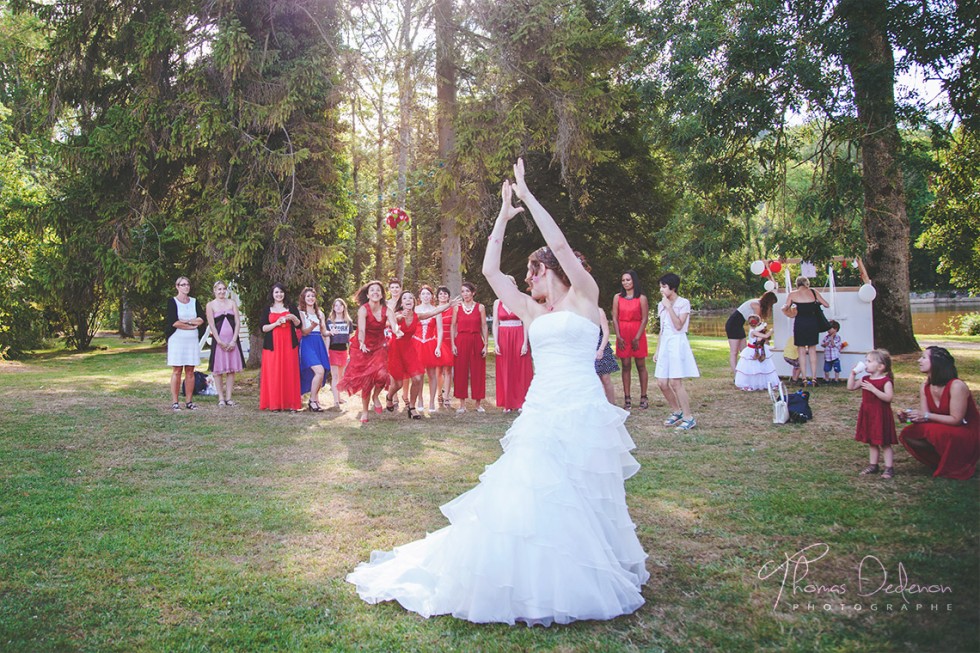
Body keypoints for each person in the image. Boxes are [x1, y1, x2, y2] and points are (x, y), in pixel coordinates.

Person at [346, 157, 648, 626]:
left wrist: (528, 194)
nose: (526, 280)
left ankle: (587, 563)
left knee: (585, 488)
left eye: (532, 272)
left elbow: (562, 244)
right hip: (542, 410)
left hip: (585, 407)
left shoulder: (586, 297)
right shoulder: (530, 310)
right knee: (536, 489)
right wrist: (503, 217)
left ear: (550, 269)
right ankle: (539, 572)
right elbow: (488, 271)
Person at [898, 346, 980, 480]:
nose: (919, 360)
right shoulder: (925, 386)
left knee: (934, 431)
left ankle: (956, 461)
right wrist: (908, 418)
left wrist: (925, 416)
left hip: (966, 429)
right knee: (909, 433)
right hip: (941, 426)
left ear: (936, 362)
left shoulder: (956, 386)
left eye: (924, 357)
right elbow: (925, 416)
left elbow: (956, 420)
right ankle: (941, 459)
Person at [338, 281, 402, 423]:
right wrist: (361, 342)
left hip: (380, 345)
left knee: (382, 375)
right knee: (367, 381)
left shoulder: (387, 310)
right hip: (364, 346)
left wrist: (398, 331)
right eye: (372, 290)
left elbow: (394, 324)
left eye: (378, 290)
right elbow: (361, 329)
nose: (375, 292)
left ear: (381, 294)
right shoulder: (363, 309)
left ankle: (375, 396)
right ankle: (365, 412)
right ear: (367, 294)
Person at [388, 290, 456, 419]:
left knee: (418, 378)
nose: (408, 300)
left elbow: (434, 312)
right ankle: (389, 397)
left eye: (410, 298)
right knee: (398, 384)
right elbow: (390, 324)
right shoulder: (396, 315)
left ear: (413, 302)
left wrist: (448, 305)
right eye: (405, 298)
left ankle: (412, 408)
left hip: (410, 350)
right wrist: (396, 327)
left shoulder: (416, 316)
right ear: (401, 302)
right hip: (396, 350)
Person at [654, 272, 700, 430]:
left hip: (677, 341)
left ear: (672, 288)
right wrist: (657, 350)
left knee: (675, 382)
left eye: (664, 286)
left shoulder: (683, 303)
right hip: (665, 342)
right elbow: (662, 329)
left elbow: (679, 325)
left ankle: (689, 417)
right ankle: (676, 411)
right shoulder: (661, 305)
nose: (661, 289)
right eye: (660, 286)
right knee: (661, 382)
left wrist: (669, 307)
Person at [848, 349, 897, 479]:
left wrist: (873, 389)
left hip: (880, 415)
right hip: (868, 414)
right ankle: (873, 465)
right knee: (872, 441)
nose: (866, 364)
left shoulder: (885, 381)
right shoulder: (865, 379)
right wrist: (852, 374)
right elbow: (851, 387)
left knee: (885, 442)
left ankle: (889, 468)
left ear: (881, 367)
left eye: (869, 361)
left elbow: (888, 398)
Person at [492, 276, 533, 413]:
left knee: (520, 368)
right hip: (503, 335)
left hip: (518, 334)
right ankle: (507, 403)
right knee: (506, 368)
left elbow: (526, 321)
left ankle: (522, 401)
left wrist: (525, 343)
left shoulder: (520, 301)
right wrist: (496, 342)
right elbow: (495, 323)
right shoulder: (497, 302)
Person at [259, 283, 302, 411]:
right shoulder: (267, 309)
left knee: (289, 371)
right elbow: (263, 328)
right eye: (276, 292)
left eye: (281, 292)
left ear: (285, 293)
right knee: (274, 373)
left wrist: (294, 318)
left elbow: (299, 325)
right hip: (272, 345)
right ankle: (274, 404)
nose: (279, 295)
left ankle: (290, 403)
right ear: (272, 294)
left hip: (289, 344)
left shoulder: (291, 307)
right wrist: (276, 323)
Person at [166, 276, 206, 410]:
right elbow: (174, 322)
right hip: (177, 339)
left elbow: (201, 319)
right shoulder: (173, 302)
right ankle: (175, 402)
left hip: (192, 340)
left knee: (190, 370)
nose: (186, 287)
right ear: (177, 287)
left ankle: (189, 401)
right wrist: (190, 324)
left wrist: (187, 322)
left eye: (188, 284)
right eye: (183, 285)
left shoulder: (194, 302)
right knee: (177, 370)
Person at [781, 276, 830, 387]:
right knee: (812, 351)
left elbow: (786, 308)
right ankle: (814, 378)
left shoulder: (792, 294)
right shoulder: (813, 292)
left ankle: (803, 379)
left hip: (800, 324)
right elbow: (826, 304)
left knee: (801, 352)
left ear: (797, 284)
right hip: (812, 323)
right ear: (807, 283)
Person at [612, 270, 649, 410]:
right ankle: (627, 398)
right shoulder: (617, 297)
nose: (625, 282)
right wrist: (618, 335)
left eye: (628, 280)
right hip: (623, 331)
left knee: (641, 365)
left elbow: (645, 319)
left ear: (634, 281)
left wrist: (638, 337)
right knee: (626, 365)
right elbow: (615, 318)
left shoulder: (641, 298)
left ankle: (644, 396)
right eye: (623, 280)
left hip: (637, 331)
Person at [206, 280, 245, 407]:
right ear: (215, 291)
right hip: (219, 342)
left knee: (231, 370)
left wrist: (234, 340)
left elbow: (238, 322)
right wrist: (219, 341)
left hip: (232, 341)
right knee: (218, 371)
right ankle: (221, 398)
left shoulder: (232, 303)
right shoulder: (210, 305)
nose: (222, 291)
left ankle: (229, 397)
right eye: (219, 289)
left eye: (223, 289)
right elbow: (211, 324)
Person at [451, 281, 488, 413]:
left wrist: (485, 344)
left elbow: (484, 326)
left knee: (478, 371)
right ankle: (462, 404)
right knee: (461, 371)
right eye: (463, 291)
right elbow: (453, 325)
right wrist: (453, 344)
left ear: (473, 293)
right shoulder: (457, 307)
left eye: (467, 291)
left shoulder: (480, 307)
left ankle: (478, 403)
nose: (465, 294)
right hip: (461, 340)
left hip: (476, 339)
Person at [725, 291, 777, 373]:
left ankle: (745, 371)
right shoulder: (757, 305)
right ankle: (736, 374)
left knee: (744, 350)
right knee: (734, 352)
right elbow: (757, 323)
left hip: (739, 326)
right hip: (733, 325)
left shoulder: (760, 305)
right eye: (771, 304)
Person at [298, 287, 330, 413]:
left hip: (318, 343)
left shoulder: (320, 313)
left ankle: (315, 400)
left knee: (322, 373)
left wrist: (330, 332)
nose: (311, 298)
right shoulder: (301, 313)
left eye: (312, 296)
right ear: (304, 299)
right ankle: (312, 400)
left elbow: (323, 331)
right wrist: (312, 326)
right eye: (308, 296)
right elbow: (304, 332)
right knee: (319, 371)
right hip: (307, 343)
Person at [413, 285, 442, 412]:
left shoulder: (436, 310)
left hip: (430, 343)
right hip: (416, 344)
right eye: (423, 294)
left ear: (432, 296)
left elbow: (440, 330)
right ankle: (419, 399)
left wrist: (438, 346)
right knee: (418, 374)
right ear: (419, 297)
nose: (425, 296)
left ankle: (431, 402)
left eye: (428, 294)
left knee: (432, 374)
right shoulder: (414, 309)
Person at [734, 315, 779, 391]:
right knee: (753, 368)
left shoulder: (755, 330)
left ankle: (763, 383)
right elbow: (766, 336)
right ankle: (751, 384)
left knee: (762, 367)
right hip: (752, 351)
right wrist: (772, 330)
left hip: (759, 350)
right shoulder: (753, 331)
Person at [326, 298, 353, 410]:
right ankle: (335, 401)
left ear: (343, 307)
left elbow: (350, 338)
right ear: (333, 307)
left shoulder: (348, 322)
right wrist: (327, 351)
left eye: (340, 305)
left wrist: (350, 353)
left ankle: (339, 397)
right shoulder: (329, 322)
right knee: (335, 376)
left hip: (343, 351)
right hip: (333, 350)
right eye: (336, 305)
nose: (338, 307)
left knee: (341, 376)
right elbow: (327, 337)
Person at [435, 285, 455, 409]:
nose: (443, 296)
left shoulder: (453, 309)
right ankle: (439, 393)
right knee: (438, 371)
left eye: (445, 294)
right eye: (441, 294)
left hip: (449, 341)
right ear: (437, 297)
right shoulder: (434, 309)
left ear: (448, 296)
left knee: (448, 370)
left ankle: (447, 396)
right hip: (437, 342)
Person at [595, 308, 619, 404]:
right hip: (588, 346)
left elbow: (606, 332)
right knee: (594, 379)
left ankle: (612, 405)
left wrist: (601, 349)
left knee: (605, 378)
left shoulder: (599, 311)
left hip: (601, 345)